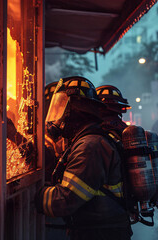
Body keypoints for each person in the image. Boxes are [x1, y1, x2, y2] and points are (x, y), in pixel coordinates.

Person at [36, 76, 132, 240]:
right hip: (99, 228)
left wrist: (33, 197)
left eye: (60, 109)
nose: (56, 118)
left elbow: (65, 201)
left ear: (74, 111)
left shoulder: (90, 146)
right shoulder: (86, 141)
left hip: (101, 232)